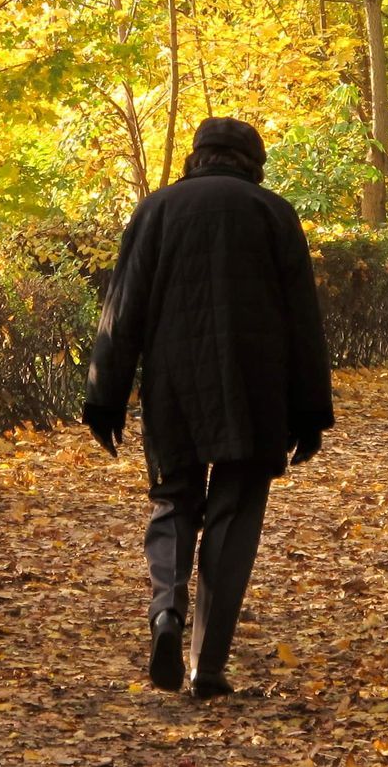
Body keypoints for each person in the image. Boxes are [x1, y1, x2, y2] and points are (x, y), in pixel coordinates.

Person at [83, 116, 334, 699]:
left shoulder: (157, 210)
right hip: (257, 388)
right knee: (236, 512)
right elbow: (303, 322)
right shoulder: (274, 213)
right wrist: (310, 411)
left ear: (197, 158)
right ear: (253, 163)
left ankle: (166, 613)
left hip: (175, 385)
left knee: (174, 501)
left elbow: (123, 310)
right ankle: (207, 665)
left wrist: (105, 396)